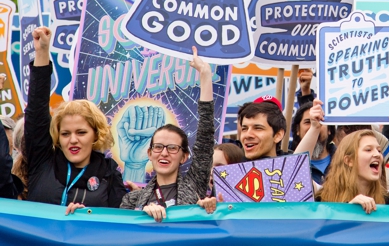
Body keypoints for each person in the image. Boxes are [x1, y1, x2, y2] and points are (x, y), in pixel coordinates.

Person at [25, 27, 126, 214]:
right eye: (65, 133)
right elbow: (36, 112)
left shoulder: (109, 173)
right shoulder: (43, 160)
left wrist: (85, 218)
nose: (72, 140)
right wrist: (42, 51)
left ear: (96, 134)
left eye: (81, 132)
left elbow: (120, 224)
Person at [120, 47, 215, 222]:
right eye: (158, 147)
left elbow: (206, 135)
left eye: (172, 148)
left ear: (184, 156)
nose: (164, 153)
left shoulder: (194, 186)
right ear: (149, 153)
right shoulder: (132, 200)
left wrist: (205, 75)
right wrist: (142, 212)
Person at [316, 129, 389, 213]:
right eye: (368, 150)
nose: (377, 154)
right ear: (349, 160)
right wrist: (349, 209)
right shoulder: (322, 201)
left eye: (379, 150)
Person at [291, 101, 335, 184]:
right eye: (308, 122)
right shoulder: (286, 163)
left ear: (329, 130)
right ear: (297, 130)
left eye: (320, 121)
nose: (314, 126)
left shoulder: (345, 161)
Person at [200, 142, 245, 214]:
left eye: (219, 167)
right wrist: (200, 209)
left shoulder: (254, 206)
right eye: (208, 167)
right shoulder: (202, 202)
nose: (211, 172)